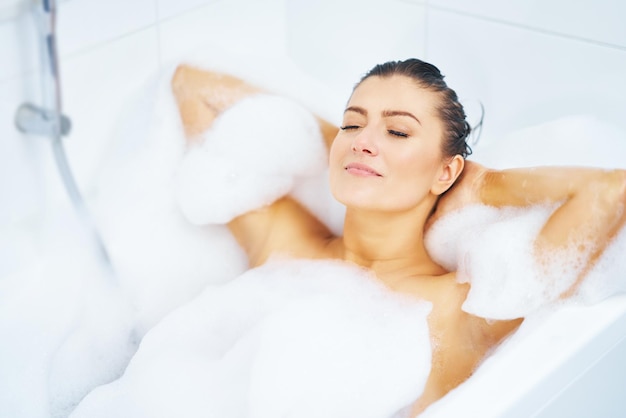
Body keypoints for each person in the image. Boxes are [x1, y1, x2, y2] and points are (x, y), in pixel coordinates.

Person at [170, 58, 626, 415]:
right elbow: (190, 86)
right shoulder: (286, 244)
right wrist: (346, 144)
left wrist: (480, 185)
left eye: (398, 130)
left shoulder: (456, 309)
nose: (364, 139)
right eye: (352, 123)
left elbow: (611, 191)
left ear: (447, 172)